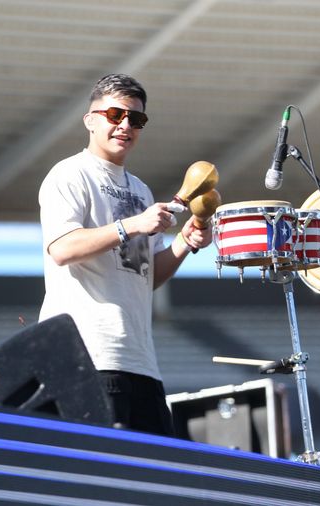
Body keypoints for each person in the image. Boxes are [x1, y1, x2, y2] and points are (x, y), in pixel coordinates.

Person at [37, 73, 212, 436]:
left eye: (137, 119)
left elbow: (145, 277)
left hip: (140, 362)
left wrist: (183, 244)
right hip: (86, 358)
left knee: (155, 483)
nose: (126, 125)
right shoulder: (69, 174)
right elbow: (62, 249)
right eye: (116, 115)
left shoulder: (141, 190)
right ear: (90, 120)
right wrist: (131, 225)